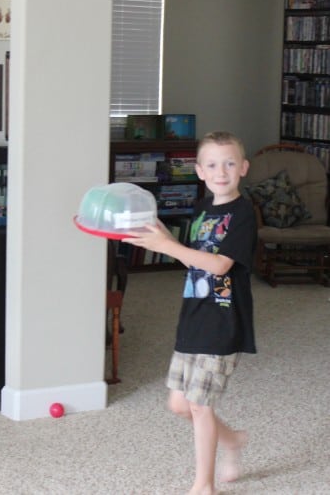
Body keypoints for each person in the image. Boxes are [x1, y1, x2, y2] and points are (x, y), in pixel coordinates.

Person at [123, 131, 257, 495]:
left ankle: (204, 485)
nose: (221, 171)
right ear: (199, 171)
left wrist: (167, 245)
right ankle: (232, 440)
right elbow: (187, 251)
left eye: (230, 163)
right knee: (180, 404)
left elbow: (218, 266)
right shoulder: (201, 209)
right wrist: (156, 232)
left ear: (243, 168)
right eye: (212, 164)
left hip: (224, 322)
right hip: (194, 316)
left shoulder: (243, 214)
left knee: (199, 405)